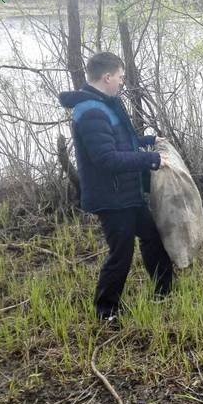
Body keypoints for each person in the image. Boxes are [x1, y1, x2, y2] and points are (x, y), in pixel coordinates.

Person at [58, 51, 174, 324]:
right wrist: (152, 160)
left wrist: (148, 140)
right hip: (111, 197)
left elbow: (121, 143)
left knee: (152, 237)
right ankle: (106, 312)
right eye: (120, 77)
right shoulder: (90, 111)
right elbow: (106, 159)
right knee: (121, 253)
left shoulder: (104, 104)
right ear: (107, 76)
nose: (122, 82)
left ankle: (164, 292)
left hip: (128, 192)